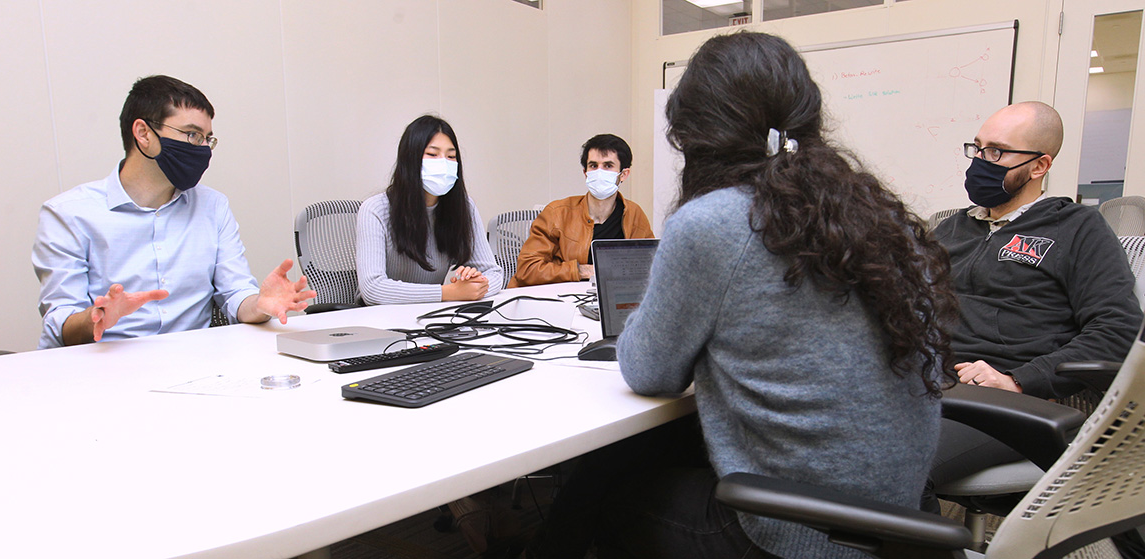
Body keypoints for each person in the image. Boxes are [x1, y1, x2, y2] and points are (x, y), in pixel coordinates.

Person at [524, 32, 959, 559]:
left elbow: (648, 371)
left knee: (603, 487)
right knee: (646, 448)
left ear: (697, 136)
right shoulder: (873, 213)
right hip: (901, 516)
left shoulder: (716, 222)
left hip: (796, 533)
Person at [924, 101, 1143, 512]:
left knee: (889, 467)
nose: (981, 162)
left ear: (1039, 166)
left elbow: (1118, 332)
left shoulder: (1077, 228)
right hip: (924, 387)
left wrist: (1018, 380)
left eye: (997, 152)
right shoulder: (950, 228)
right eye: (977, 148)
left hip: (1006, 403)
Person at [32, 75, 315, 350]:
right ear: (143, 133)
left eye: (208, 139)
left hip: (190, 364)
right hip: (99, 366)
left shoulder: (212, 207)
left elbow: (235, 294)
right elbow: (61, 325)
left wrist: (260, 304)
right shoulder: (68, 214)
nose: (203, 148)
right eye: (192, 134)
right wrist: (97, 318)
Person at [356, 115, 503, 304]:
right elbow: (373, 289)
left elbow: (494, 273)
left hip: (430, 316)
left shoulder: (463, 207)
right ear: (410, 159)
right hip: (378, 319)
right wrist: (449, 293)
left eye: (451, 156)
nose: (443, 163)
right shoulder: (375, 210)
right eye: (432, 155)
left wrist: (477, 283)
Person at [507, 134, 653, 287]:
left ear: (623, 174)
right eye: (593, 166)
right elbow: (527, 269)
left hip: (609, 299)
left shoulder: (634, 215)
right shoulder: (557, 213)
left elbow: (649, 268)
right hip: (558, 299)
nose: (599, 172)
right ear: (585, 173)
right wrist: (581, 270)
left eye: (608, 166)